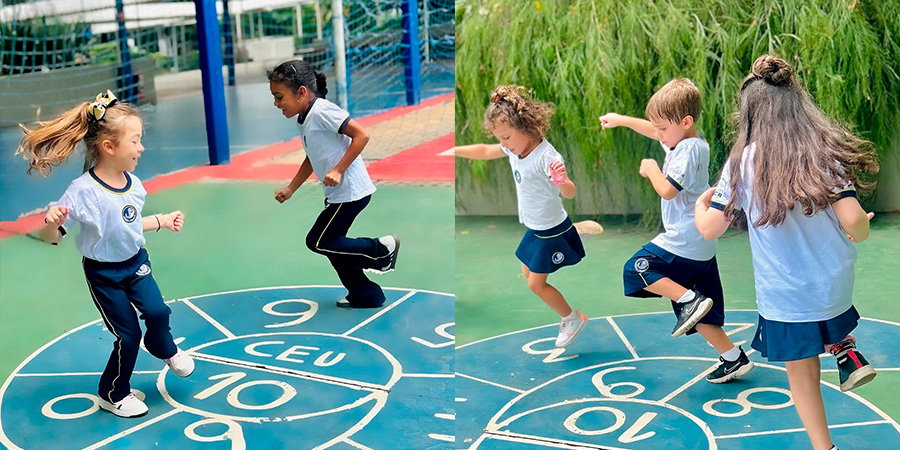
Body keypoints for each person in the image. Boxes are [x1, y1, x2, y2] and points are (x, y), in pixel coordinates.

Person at [694, 54, 879, 450]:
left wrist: (700, 203)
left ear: (750, 115)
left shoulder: (742, 162)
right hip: (833, 283)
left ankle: (823, 447)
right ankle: (845, 350)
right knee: (825, 312)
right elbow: (854, 224)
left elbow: (709, 228)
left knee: (801, 370)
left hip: (785, 293)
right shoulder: (823, 151)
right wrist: (862, 222)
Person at [16, 90, 194, 418]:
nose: (141, 148)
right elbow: (51, 239)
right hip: (104, 275)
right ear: (109, 147)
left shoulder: (134, 184)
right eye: (136, 141)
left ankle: (163, 347)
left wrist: (162, 221)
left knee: (157, 312)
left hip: (136, 263)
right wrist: (51, 223)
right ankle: (113, 393)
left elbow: (126, 224)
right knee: (128, 335)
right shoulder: (82, 192)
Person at [599, 78, 753, 383]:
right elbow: (653, 128)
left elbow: (668, 190)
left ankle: (687, 300)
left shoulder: (686, 151)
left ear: (685, 122)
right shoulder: (684, 141)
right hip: (700, 247)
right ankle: (733, 358)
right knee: (703, 315)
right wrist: (621, 120)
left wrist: (651, 168)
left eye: (662, 129)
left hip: (683, 239)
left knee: (636, 269)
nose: (657, 134)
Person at [454, 85, 587, 348]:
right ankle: (567, 313)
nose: (503, 145)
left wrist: (561, 180)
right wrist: (454, 149)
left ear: (526, 128)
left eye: (506, 137)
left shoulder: (546, 156)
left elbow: (569, 192)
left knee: (536, 285)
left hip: (552, 231)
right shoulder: (515, 148)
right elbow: (485, 151)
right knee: (526, 271)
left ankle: (572, 318)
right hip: (536, 229)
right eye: (500, 139)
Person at [268, 60, 399, 308]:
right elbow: (312, 156)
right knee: (334, 246)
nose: (276, 103)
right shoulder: (305, 117)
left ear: (302, 92)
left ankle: (380, 250)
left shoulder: (322, 111)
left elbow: (362, 134)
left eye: (279, 96)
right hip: (338, 193)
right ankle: (366, 294)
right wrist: (291, 189)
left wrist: (339, 170)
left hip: (350, 191)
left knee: (318, 240)